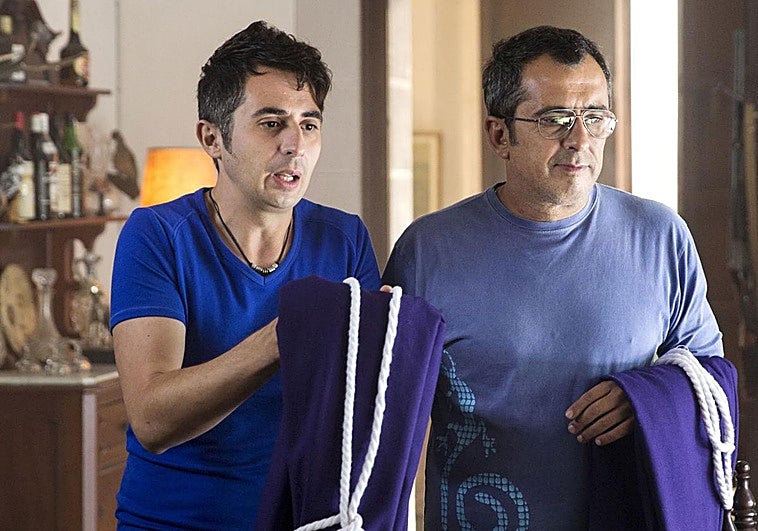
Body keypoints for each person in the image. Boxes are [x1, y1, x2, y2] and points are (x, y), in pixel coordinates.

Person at [382, 25, 724, 529]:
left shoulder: (660, 235)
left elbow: (708, 376)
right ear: (500, 135)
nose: (580, 140)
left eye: (595, 117)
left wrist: (646, 399)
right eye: (555, 119)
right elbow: (383, 419)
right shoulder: (427, 249)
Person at [110, 21, 380, 529]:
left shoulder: (344, 238)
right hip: (175, 521)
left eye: (310, 125)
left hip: (306, 519)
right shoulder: (157, 235)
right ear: (212, 138)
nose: (295, 145)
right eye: (272, 123)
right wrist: (283, 337)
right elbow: (151, 419)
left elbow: (364, 403)